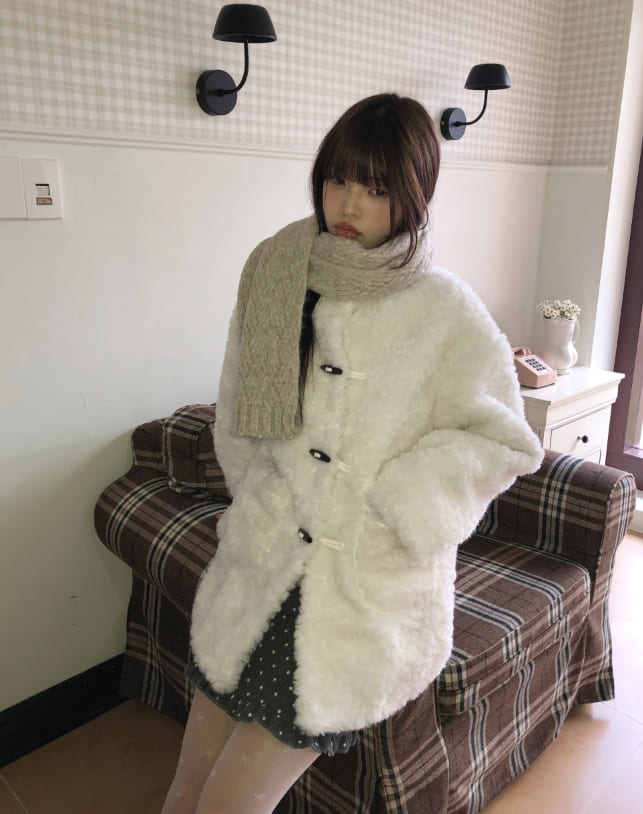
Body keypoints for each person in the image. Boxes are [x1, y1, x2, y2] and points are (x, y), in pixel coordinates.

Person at [161, 93, 543, 814]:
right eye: (338, 179)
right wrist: (260, 502)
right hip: (258, 569)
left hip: (360, 591)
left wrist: (395, 505)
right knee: (187, 789)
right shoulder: (279, 273)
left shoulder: (446, 310)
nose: (349, 204)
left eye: (375, 187)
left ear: (413, 194)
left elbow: (503, 439)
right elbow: (238, 412)